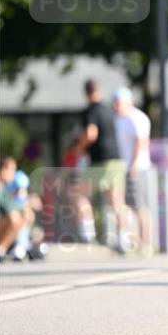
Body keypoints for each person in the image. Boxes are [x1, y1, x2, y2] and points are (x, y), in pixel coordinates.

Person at [73, 79, 127, 252]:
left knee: (80, 195)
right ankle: (123, 239)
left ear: (86, 93)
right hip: (116, 159)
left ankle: (87, 233)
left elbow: (91, 134)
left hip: (99, 161)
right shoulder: (109, 111)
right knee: (116, 202)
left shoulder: (90, 111)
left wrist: (77, 149)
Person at [112, 87, 153, 254]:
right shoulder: (117, 119)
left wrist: (134, 164)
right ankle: (132, 239)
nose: (116, 106)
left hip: (137, 168)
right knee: (124, 205)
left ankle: (146, 243)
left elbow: (140, 141)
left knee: (140, 205)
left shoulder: (137, 118)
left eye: (119, 103)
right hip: (122, 168)